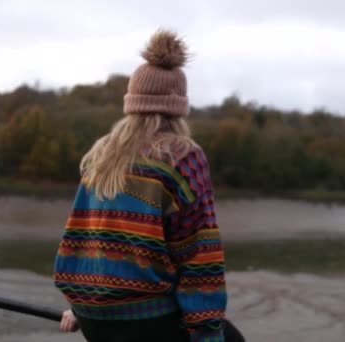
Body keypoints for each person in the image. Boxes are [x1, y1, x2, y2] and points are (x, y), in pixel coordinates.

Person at [53, 29, 245, 342]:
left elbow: (86, 237)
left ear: (133, 102)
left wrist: (78, 306)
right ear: (179, 106)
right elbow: (199, 256)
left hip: (90, 315)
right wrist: (207, 334)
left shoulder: (100, 153)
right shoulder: (183, 156)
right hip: (146, 320)